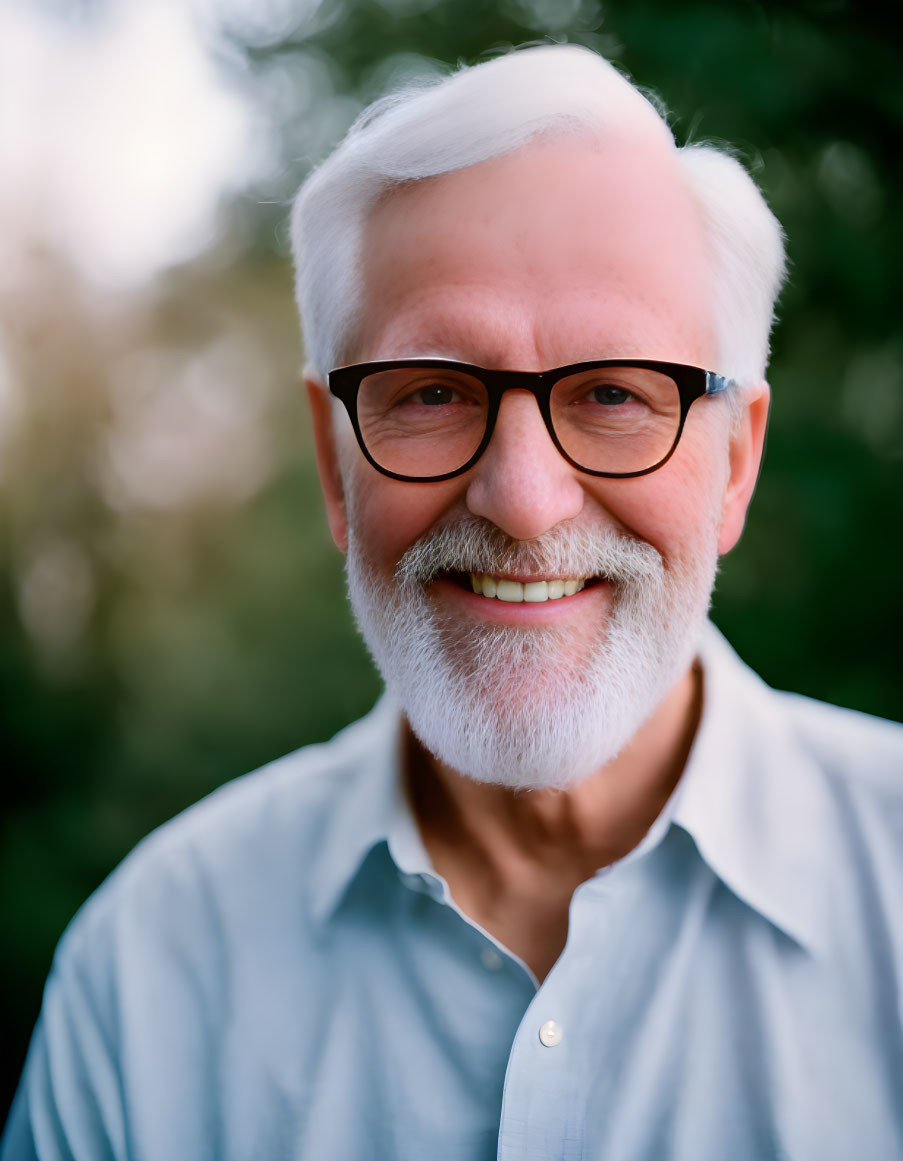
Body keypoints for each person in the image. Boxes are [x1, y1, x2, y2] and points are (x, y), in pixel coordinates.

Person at [3, 43, 902, 1161]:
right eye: (430, 391)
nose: (524, 503)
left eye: (617, 393)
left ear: (733, 466)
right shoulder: (151, 972)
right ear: (336, 468)